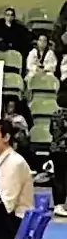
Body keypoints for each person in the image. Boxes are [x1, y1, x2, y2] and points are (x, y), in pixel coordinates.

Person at [0, 118, 34, 228]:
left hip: (16, 222)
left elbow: (7, 206)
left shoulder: (15, 163)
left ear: (6, 137)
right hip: (2, 216)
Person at [51, 82, 67, 217]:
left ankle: (58, 204)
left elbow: (52, 131)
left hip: (56, 149)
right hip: (64, 149)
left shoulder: (55, 114)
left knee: (59, 177)